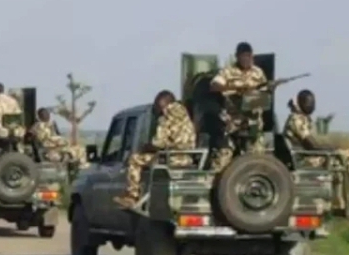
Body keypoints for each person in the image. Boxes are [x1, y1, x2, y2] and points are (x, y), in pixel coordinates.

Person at [283, 89, 349, 209]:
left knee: (340, 155)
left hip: (304, 156)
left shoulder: (300, 117)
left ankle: (339, 200)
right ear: (300, 103)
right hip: (304, 159)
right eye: (307, 102)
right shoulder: (297, 119)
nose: (311, 106)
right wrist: (335, 149)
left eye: (312, 102)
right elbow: (312, 144)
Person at [114, 90, 196, 207]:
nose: (156, 110)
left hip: (173, 158)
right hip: (187, 157)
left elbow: (159, 143)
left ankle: (132, 196)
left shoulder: (167, 115)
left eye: (156, 106)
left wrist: (146, 147)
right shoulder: (184, 113)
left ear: (162, 103)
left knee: (135, 159)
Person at [209, 42, 268, 171]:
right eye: (243, 56)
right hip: (232, 123)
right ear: (237, 56)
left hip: (253, 123)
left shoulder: (258, 72)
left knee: (257, 162)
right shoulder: (228, 71)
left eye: (249, 56)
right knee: (222, 163)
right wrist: (236, 88)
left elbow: (265, 89)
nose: (246, 59)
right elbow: (214, 86)